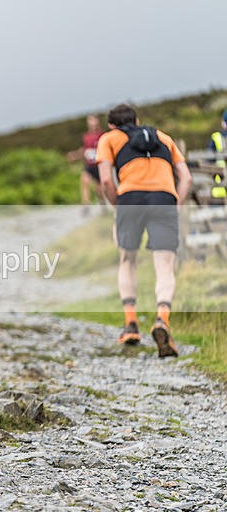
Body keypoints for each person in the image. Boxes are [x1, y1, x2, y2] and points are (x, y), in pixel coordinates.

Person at [96, 103, 192, 357]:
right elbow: (187, 178)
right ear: (137, 121)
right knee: (164, 264)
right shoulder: (164, 138)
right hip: (164, 199)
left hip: (130, 198)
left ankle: (130, 324)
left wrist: (118, 205)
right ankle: (162, 319)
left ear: (110, 124)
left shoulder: (108, 139)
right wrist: (176, 204)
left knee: (127, 259)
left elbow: (106, 179)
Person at [67, 114, 105, 214]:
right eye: (90, 121)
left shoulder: (102, 135)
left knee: (99, 189)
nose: (92, 123)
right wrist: (75, 155)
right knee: (84, 180)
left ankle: (103, 205)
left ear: (97, 122)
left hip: (99, 165)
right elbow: (84, 149)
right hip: (89, 165)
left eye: (94, 121)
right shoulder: (86, 136)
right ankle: (86, 204)